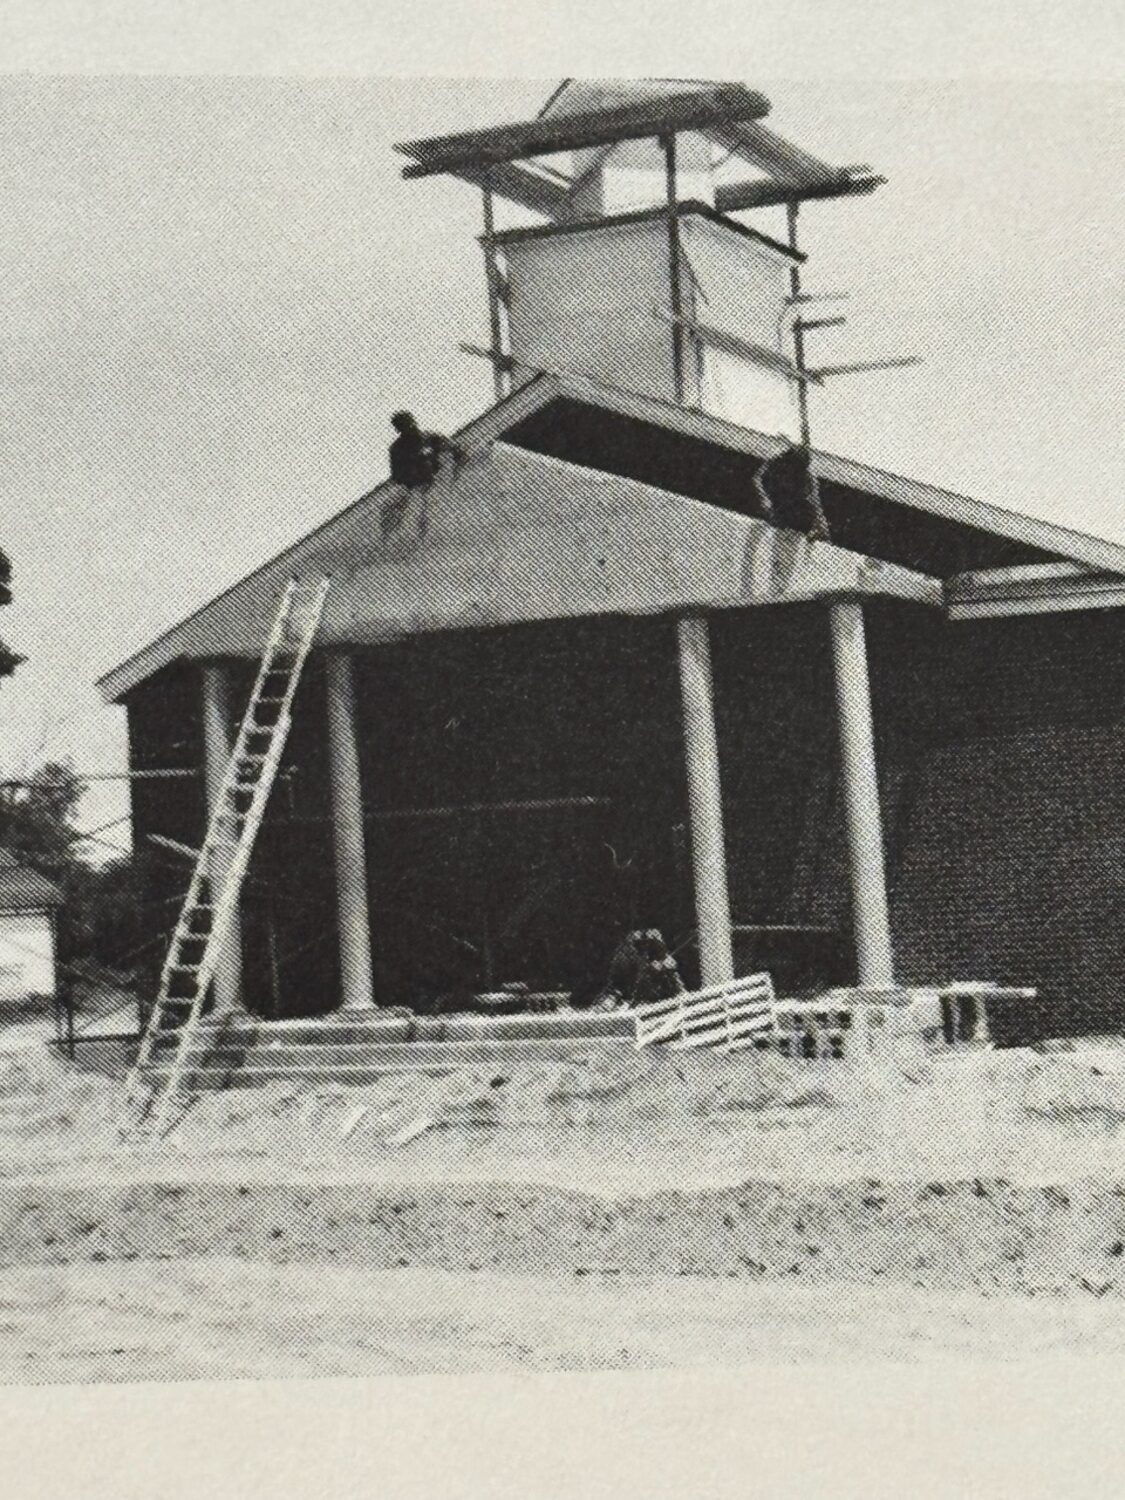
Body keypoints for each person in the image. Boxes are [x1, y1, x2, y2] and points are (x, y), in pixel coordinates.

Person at [753, 440, 831, 541]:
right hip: (778, 507)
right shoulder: (780, 462)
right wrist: (764, 498)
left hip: (791, 514)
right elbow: (757, 478)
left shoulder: (808, 478)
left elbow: (815, 504)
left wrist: (819, 524)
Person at [388, 410, 467, 490]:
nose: (411, 426)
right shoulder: (397, 450)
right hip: (421, 488)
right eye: (405, 425)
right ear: (399, 430)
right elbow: (397, 477)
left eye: (411, 422)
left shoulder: (429, 437)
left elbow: (454, 449)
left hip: (443, 477)